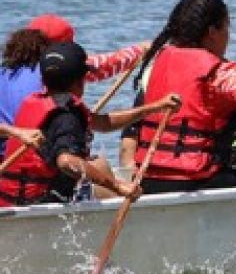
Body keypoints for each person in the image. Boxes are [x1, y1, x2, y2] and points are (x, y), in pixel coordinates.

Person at [131, 0, 236, 194]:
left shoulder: (158, 60)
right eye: (227, 27)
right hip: (197, 179)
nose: (229, 36)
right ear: (212, 32)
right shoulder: (221, 72)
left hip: (147, 178)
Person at [0, 42, 178, 207]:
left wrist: (156, 107)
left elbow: (103, 123)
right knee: (100, 166)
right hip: (37, 205)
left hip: (9, 200)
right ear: (80, 82)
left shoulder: (36, 102)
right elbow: (66, 162)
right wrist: (117, 186)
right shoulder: (67, 117)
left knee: (97, 167)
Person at [0, 15, 146, 128]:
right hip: (30, 151)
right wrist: (143, 49)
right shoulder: (56, 69)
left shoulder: (4, 71)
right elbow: (108, 64)